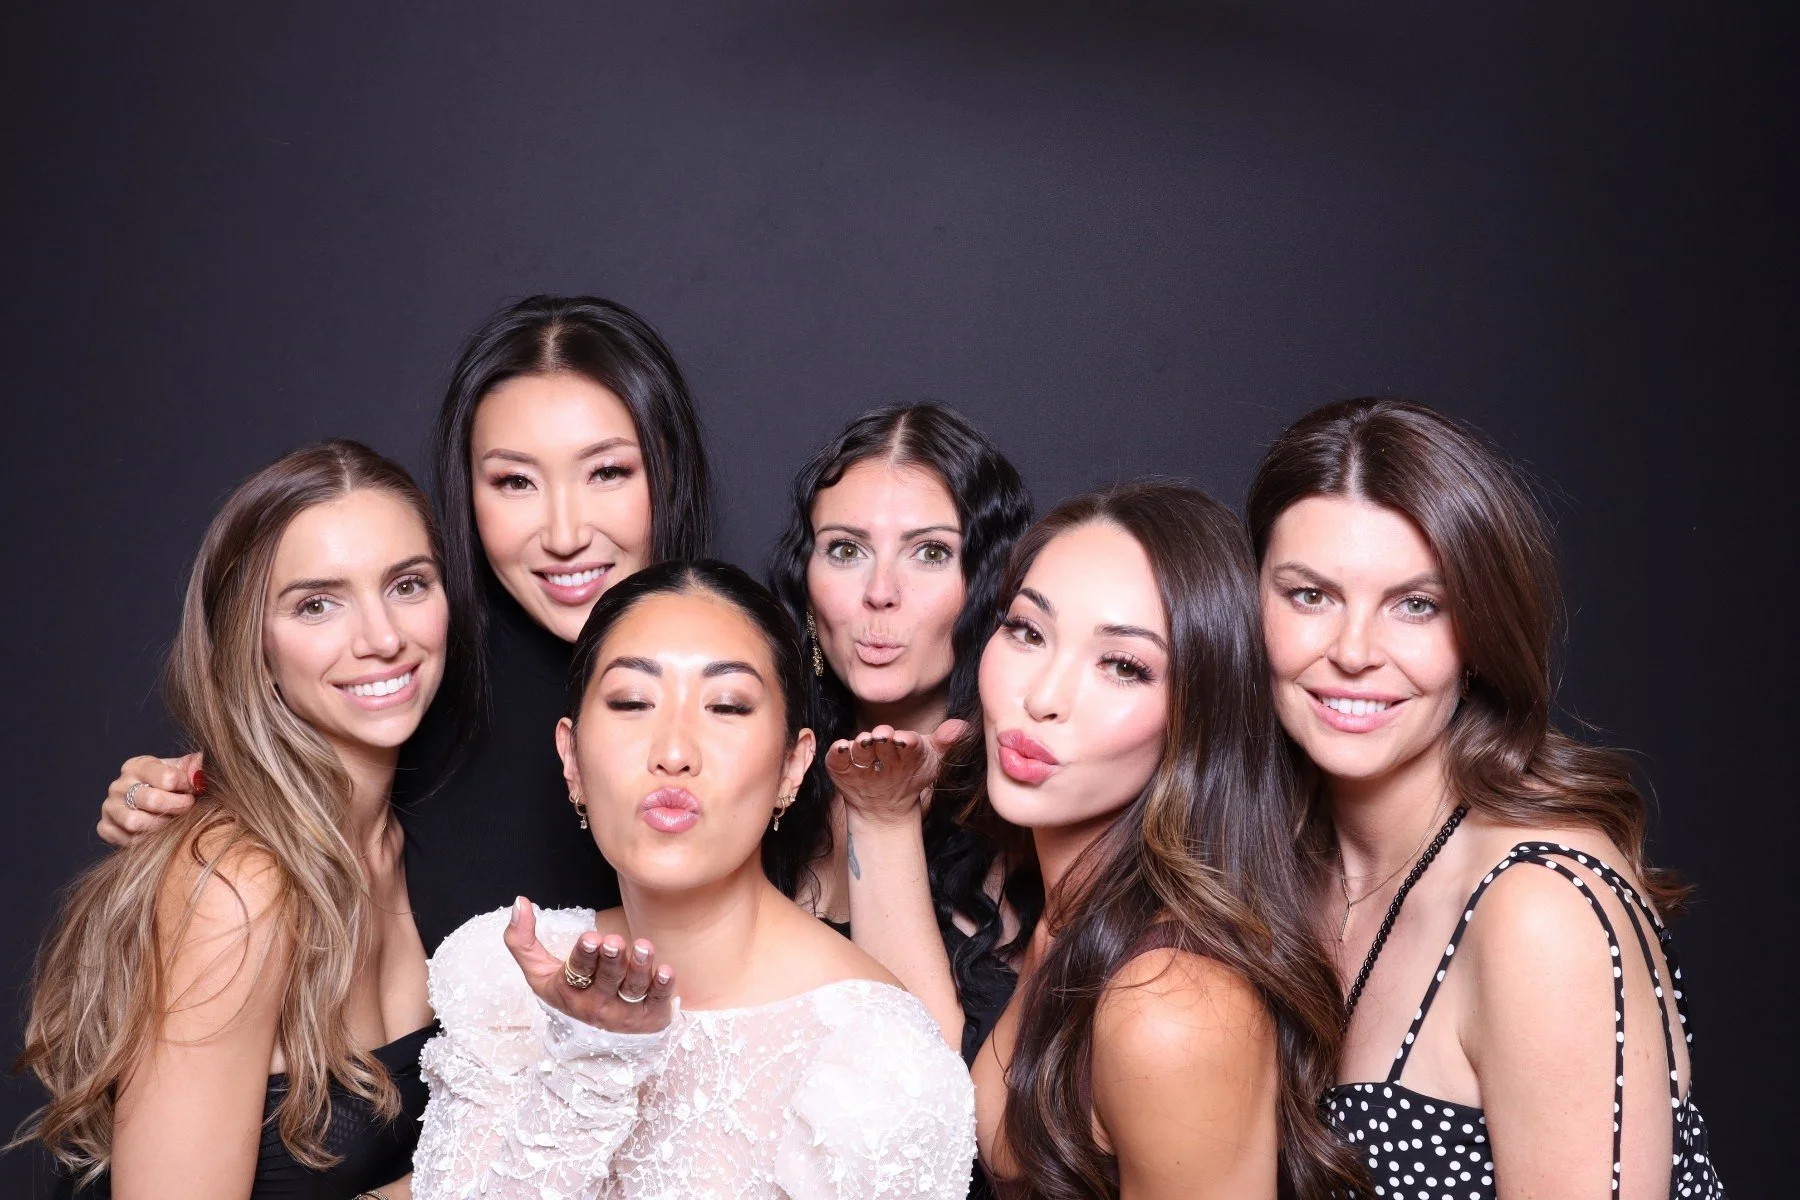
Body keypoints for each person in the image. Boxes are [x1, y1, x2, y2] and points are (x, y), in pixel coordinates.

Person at [94, 295, 713, 951]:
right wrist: (167, 798)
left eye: (607, 472)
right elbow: (264, 782)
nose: (564, 534)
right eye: (515, 483)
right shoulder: (409, 677)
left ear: (667, 469)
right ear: (465, 489)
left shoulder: (758, 679)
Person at [1247, 398, 1724, 1199]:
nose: (1354, 651)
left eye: (1417, 605)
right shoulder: (1276, 861)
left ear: (1480, 633)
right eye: (1310, 596)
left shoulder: (1540, 907)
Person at [833, 484, 1362, 1199]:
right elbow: (937, 1094)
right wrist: (886, 814)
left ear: (1196, 714)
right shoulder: (1069, 915)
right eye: (1027, 630)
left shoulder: (1168, 1005)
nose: (1043, 695)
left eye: (1123, 666)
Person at [410, 561, 976, 1199]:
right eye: (631, 702)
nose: (674, 750)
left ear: (793, 765)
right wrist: (589, 1060)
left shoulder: (876, 1059)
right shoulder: (498, 980)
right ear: (571, 758)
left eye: (727, 706)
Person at [20, 440, 467, 1198]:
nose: (383, 637)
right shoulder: (241, 885)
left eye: (407, 584)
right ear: (251, 643)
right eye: (316, 603)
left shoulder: (416, 842)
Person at [766, 401, 1034, 1056]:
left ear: (988, 586)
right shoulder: (768, 776)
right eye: (847, 550)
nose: (880, 591)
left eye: (931, 552)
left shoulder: (1032, 806)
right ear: (806, 584)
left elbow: (927, 1098)